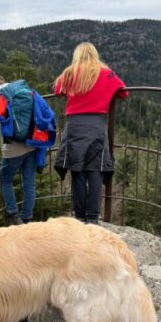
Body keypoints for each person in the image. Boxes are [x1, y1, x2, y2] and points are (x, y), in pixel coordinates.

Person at [53, 43, 128, 226]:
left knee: (77, 170)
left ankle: (79, 218)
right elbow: (124, 93)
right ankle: (93, 219)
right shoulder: (106, 74)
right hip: (96, 125)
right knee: (95, 170)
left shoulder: (69, 73)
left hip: (74, 126)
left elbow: (57, 91)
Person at [0, 75, 46, 225]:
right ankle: (27, 217)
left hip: (12, 147)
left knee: (5, 178)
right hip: (31, 143)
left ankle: (13, 215)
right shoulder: (20, 89)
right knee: (29, 181)